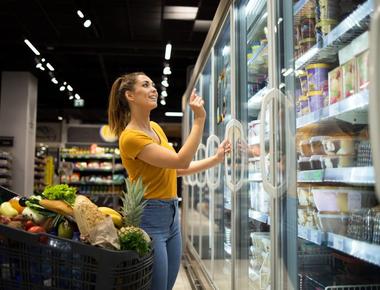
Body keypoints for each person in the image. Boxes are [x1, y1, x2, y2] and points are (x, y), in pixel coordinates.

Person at [107, 72, 231, 290]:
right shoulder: (130, 137)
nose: (153, 89)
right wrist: (199, 119)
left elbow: (173, 171)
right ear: (130, 95)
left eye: (153, 84)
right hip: (150, 218)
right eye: (145, 85)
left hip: (172, 215)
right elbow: (180, 161)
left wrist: (216, 159)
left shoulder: (154, 127)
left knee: (167, 285)